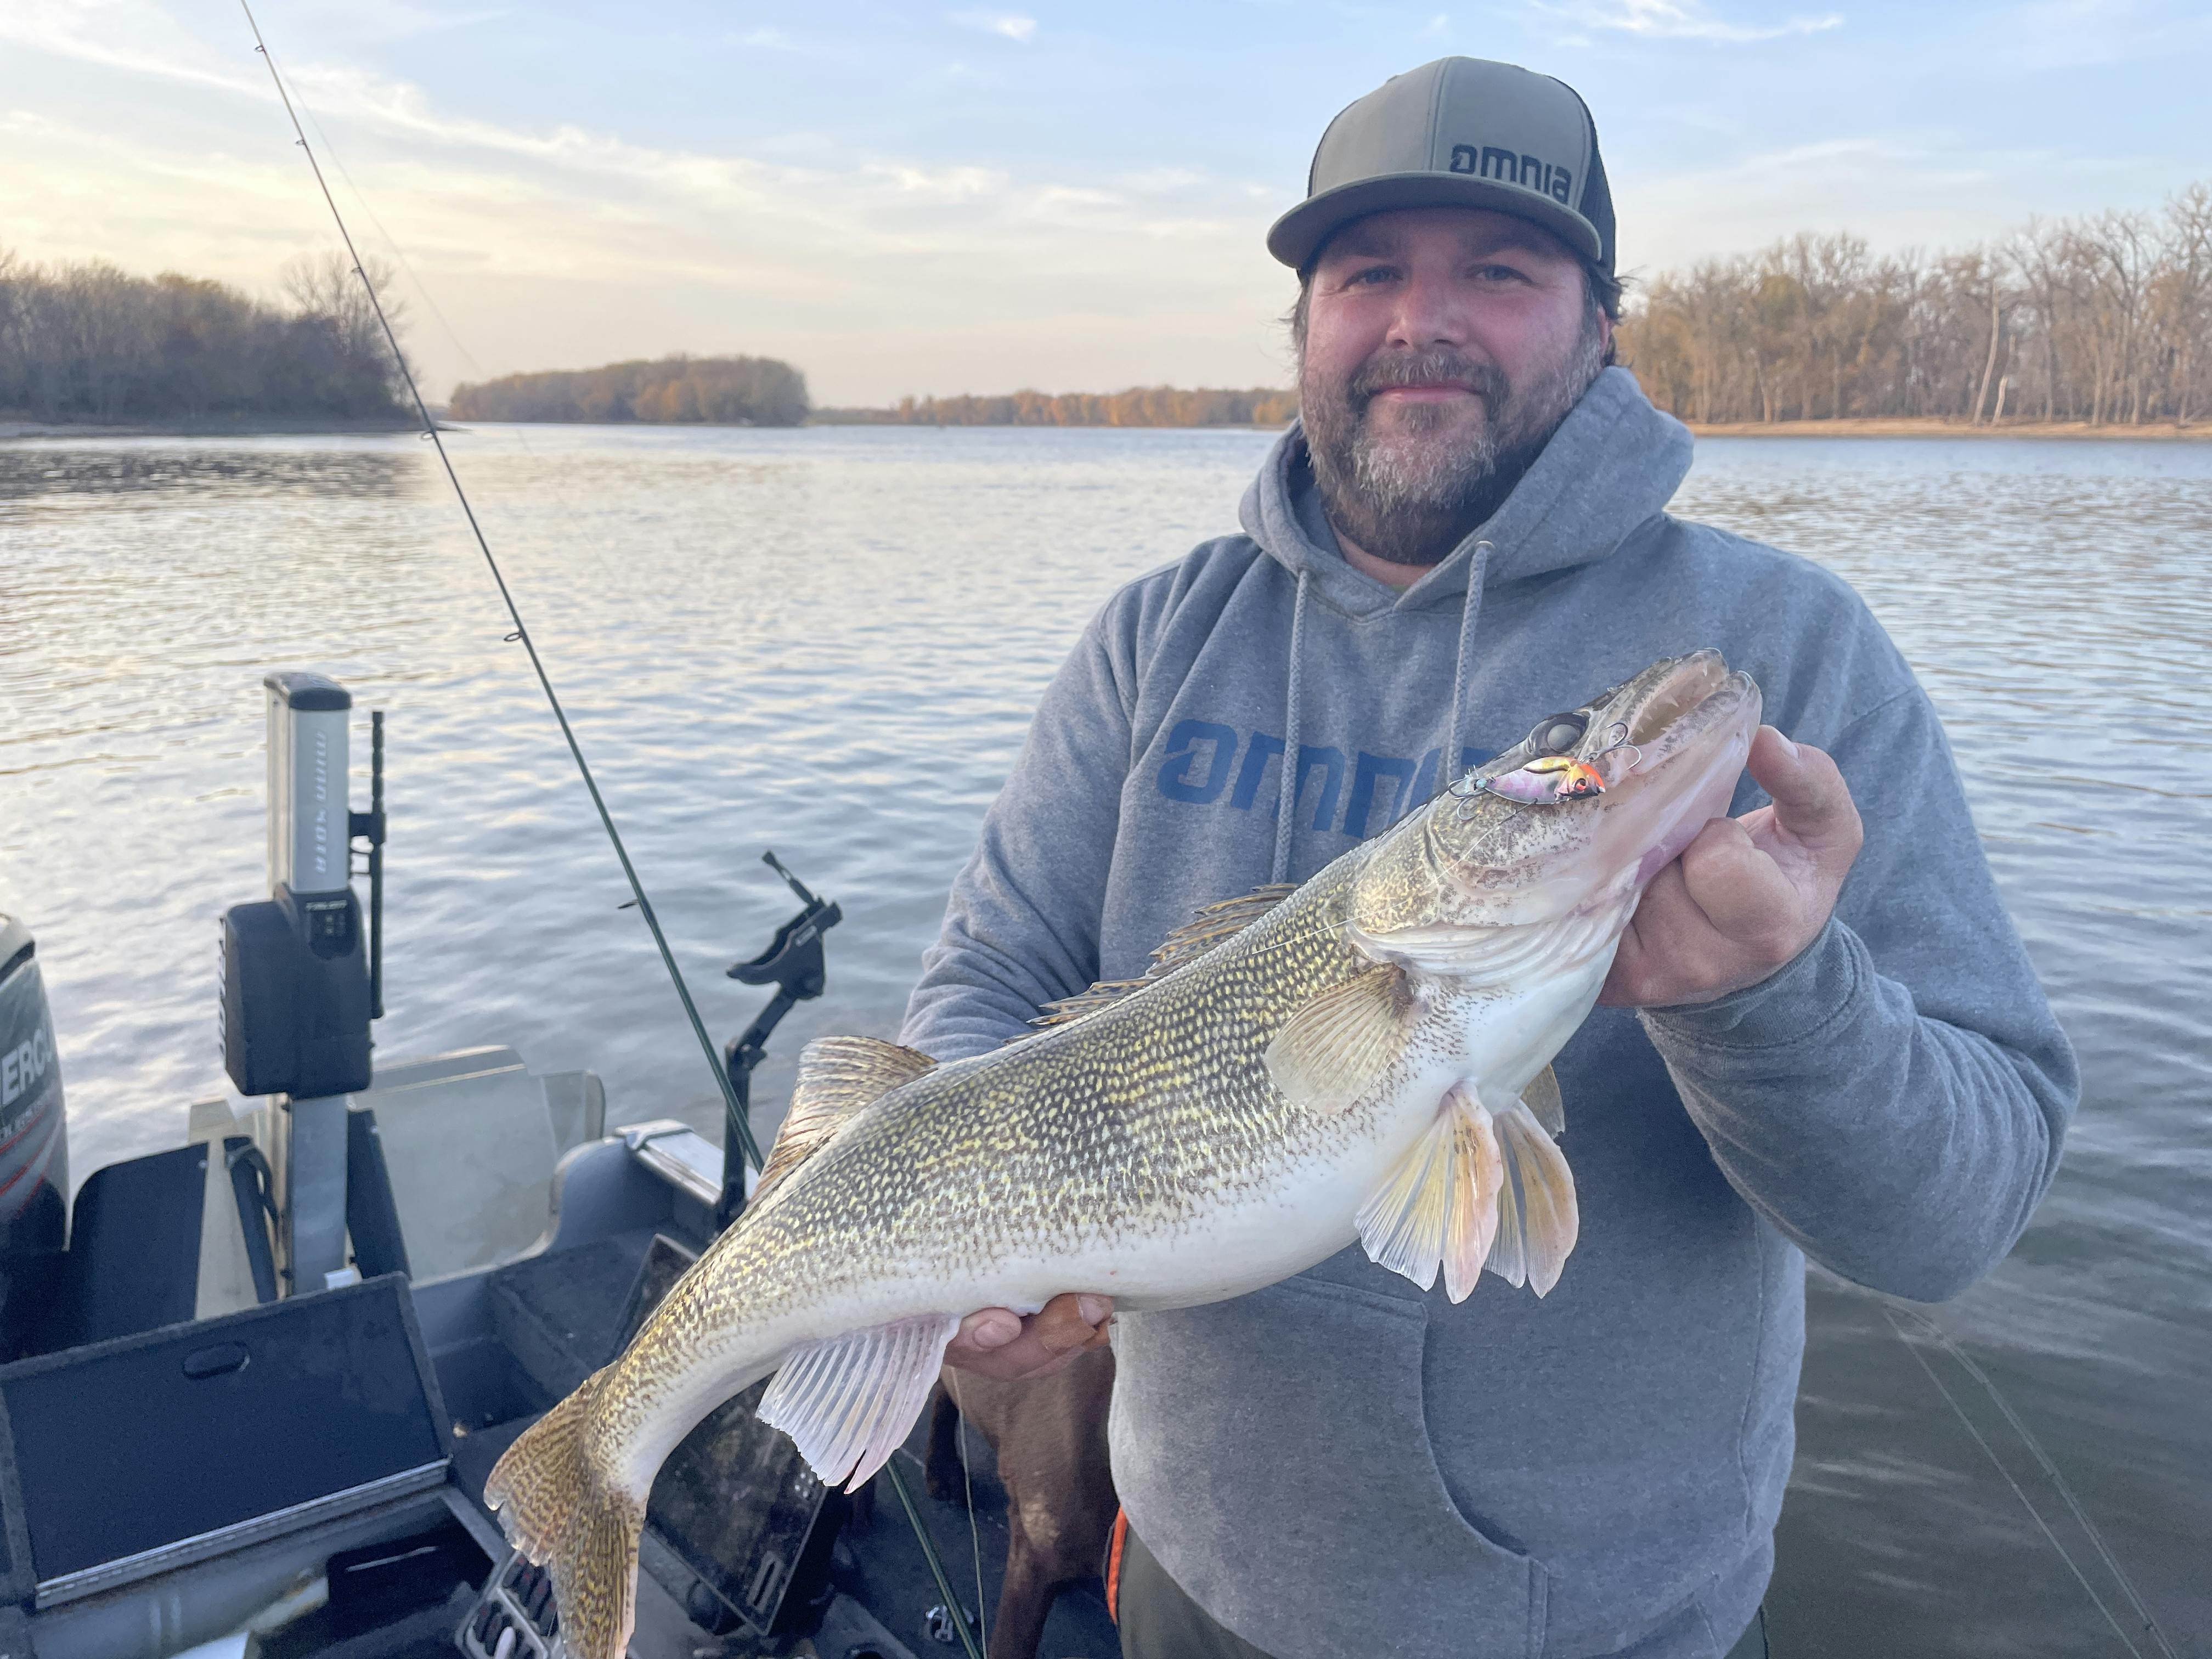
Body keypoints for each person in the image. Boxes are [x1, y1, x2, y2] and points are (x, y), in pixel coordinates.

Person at [898, 55, 2077, 1659]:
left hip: (1599, 1628)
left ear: (1602, 325)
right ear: (1305, 324)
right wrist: (955, 1223)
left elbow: (1958, 1217)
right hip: (1190, 1572)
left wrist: (1773, 997)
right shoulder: (1156, 638)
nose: (1417, 322)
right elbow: (989, 978)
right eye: (1367, 272)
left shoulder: (1786, 651)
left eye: (1499, 273)